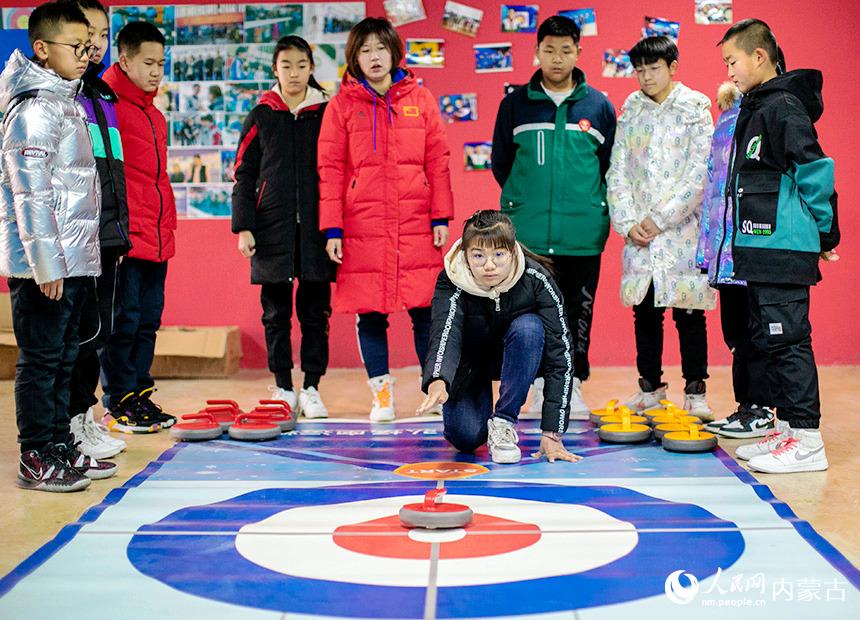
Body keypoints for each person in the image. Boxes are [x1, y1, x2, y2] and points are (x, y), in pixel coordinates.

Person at [0, 1, 116, 491]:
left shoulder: (67, 100)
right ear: (42, 49)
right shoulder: (33, 108)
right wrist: (45, 264)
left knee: (67, 357)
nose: (87, 54)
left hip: (73, 261)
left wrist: (80, 261)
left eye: (90, 45)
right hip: (41, 269)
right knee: (42, 362)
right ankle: (35, 454)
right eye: (77, 46)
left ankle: (59, 445)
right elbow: (30, 191)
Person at [318, 17, 454, 421]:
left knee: (425, 309)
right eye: (365, 50)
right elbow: (330, 168)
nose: (374, 57)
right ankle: (381, 393)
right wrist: (333, 227)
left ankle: (432, 389)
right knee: (370, 311)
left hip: (414, 220)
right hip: (363, 224)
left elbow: (438, 161)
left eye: (380, 48)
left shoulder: (421, 100)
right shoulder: (342, 105)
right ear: (354, 57)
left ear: (394, 52)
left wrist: (440, 215)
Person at [718, 19, 839, 473]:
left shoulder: (784, 107)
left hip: (783, 246)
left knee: (788, 342)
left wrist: (826, 234)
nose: (728, 70)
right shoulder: (756, 106)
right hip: (760, 245)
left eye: (732, 60)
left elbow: (815, 173)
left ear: (759, 57)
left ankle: (808, 440)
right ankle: (787, 428)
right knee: (769, 341)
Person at [491, 15, 616, 419]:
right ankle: (536, 384)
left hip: (582, 232)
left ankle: (572, 385)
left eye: (566, 50)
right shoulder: (515, 104)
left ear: (578, 52)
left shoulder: (598, 105)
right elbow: (501, 164)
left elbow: (609, 165)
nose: (557, 58)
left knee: (578, 313)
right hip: (526, 235)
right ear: (536, 52)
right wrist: (524, 201)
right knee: (528, 314)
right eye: (549, 50)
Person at [606, 35, 716, 420]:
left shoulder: (694, 108)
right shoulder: (631, 110)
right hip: (639, 232)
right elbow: (617, 170)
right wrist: (628, 222)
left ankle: (696, 391)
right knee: (645, 311)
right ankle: (650, 388)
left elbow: (701, 172)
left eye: (653, 68)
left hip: (681, 230)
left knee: (688, 311)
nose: (646, 77)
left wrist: (661, 218)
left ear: (672, 67)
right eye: (639, 70)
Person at [417, 211, 580, 465]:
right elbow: (444, 333)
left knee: (530, 327)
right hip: (470, 363)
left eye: (498, 255)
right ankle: (477, 418)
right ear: (465, 255)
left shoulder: (536, 279)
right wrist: (438, 379)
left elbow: (561, 352)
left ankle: (504, 422)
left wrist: (552, 432)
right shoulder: (451, 280)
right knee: (467, 438)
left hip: (518, 356)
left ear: (512, 253)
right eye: (478, 255)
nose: (489, 265)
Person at [233, 36, 333, 418]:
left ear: (311, 68)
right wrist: (244, 227)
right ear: (275, 68)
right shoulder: (262, 113)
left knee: (315, 314)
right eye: (286, 65)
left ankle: (311, 387)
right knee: (275, 315)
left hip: (316, 231)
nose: (294, 73)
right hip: (270, 230)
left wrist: (335, 227)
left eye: (302, 65)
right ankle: (282, 386)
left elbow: (338, 170)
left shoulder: (325, 111)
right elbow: (243, 174)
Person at [61, 0, 132, 460]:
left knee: (97, 333)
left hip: (105, 236)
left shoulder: (102, 95)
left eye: (103, 35)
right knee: (73, 339)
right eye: (87, 33)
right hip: (71, 240)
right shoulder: (57, 95)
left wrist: (119, 231)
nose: (95, 44)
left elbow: (112, 173)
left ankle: (86, 418)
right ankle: (67, 427)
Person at [101, 21, 177, 433]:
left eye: (161, 64)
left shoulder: (155, 115)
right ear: (124, 59)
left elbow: (157, 179)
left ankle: (140, 394)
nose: (155, 71)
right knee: (122, 322)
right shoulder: (105, 106)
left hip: (158, 238)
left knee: (148, 320)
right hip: (125, 239)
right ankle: (119, 399)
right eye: (148, 62)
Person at [697, 80, 776, 438]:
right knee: (736, 336)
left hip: (755, 248)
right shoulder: (725, 120)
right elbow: (713, 186)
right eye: (726, 64)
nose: (730, 69)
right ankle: (746, 407)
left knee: (758, 333)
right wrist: (707, 252)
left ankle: (762, 408)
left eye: (734, 61)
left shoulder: (768, 115)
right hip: (725, 255)